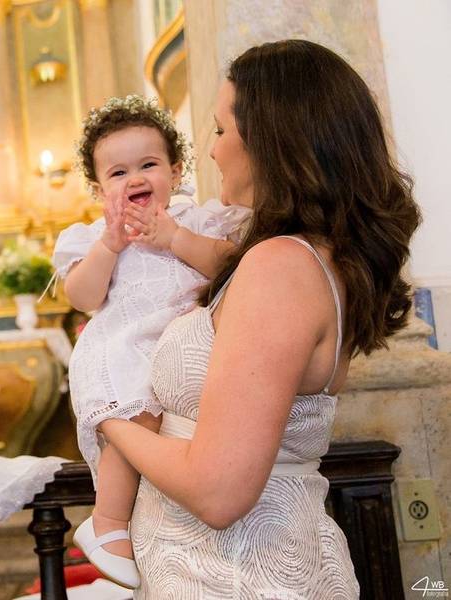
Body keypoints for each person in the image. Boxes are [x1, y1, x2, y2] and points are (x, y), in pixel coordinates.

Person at [98, 40, 421, 598]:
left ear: (272, 141)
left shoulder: (281, 267)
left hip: (235, 574)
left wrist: (111, 419)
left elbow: (219, 491)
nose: (213, 151)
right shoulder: (309, 257)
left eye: (221, 131)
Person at [52, 95, 249, 588]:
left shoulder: (198, 220)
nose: (135, 178)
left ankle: (159, 527)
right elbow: (82, 295)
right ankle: (108, 521)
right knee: (139, 417)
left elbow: (231, 267)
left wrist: (175, 238)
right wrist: (110, 247)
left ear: (176, 170)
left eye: (148, 164)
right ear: (99, 190)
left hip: (186, 345)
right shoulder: (98, 235)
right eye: (118, 174)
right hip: (125, 345)